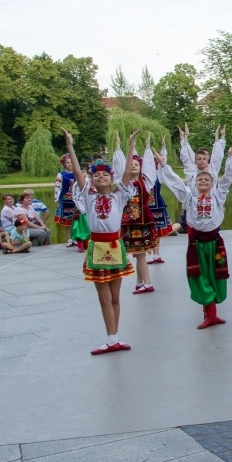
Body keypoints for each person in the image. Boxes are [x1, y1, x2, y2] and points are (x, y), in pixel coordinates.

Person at [64, 126, 137, 355]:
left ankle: (116, 338)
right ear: (92, 180)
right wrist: (70, 145)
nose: (101, 177)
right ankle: (110, 338)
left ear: (111, 178)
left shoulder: (119, 195)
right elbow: (77, 172)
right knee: (104, 297)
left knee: (115, 297)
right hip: (97, 248)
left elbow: (126, 172)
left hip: (115, 247)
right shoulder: (88, 195)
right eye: (97, 175)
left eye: (105, 174)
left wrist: (131, 144)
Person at [156, 137, 232, 328]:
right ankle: (209, 315)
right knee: (200, 277)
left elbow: (226, 180)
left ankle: (213, 314)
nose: (202, 181)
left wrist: (231, 158)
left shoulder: (218, 197)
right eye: (199, 179)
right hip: (197, 244)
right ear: (195, 183)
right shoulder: (189, 199)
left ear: (211, 183)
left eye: (206, 179)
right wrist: (164, 165)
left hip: (214, 243)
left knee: (215, 275)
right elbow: (175, 183)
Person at [114, 135, 158, 294]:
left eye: (136, 164)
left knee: (140, 255)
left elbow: (150, 167)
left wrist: (146, 148)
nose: (133, 166)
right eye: (130, 164)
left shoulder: (145, 182)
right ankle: (140, 282)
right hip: (129, 223)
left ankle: (147, 283)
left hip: (142, 222)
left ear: (141, 167)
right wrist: (119, 149)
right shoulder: (124, 184)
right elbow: (119, 169)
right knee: (138, 254)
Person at [146, 136, 180, 264]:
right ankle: (147, 253)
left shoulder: (158, 174)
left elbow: (163, 163)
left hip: (157, 206)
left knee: (157, 230)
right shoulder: (143, 175)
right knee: (147, 230)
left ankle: (156, 255)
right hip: (146, 207)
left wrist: (164, 147)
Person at [54, 154, 77, 246]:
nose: (70, 164)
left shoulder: (77, 173)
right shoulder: (61, 174)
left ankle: (75, 238)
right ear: (64, 164)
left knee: (75, 220)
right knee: (67, 221)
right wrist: (57, 200)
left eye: (71, 162)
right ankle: (69, 239)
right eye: (68, 162)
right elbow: (57, 187)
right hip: (65, 199)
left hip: (76, 200)